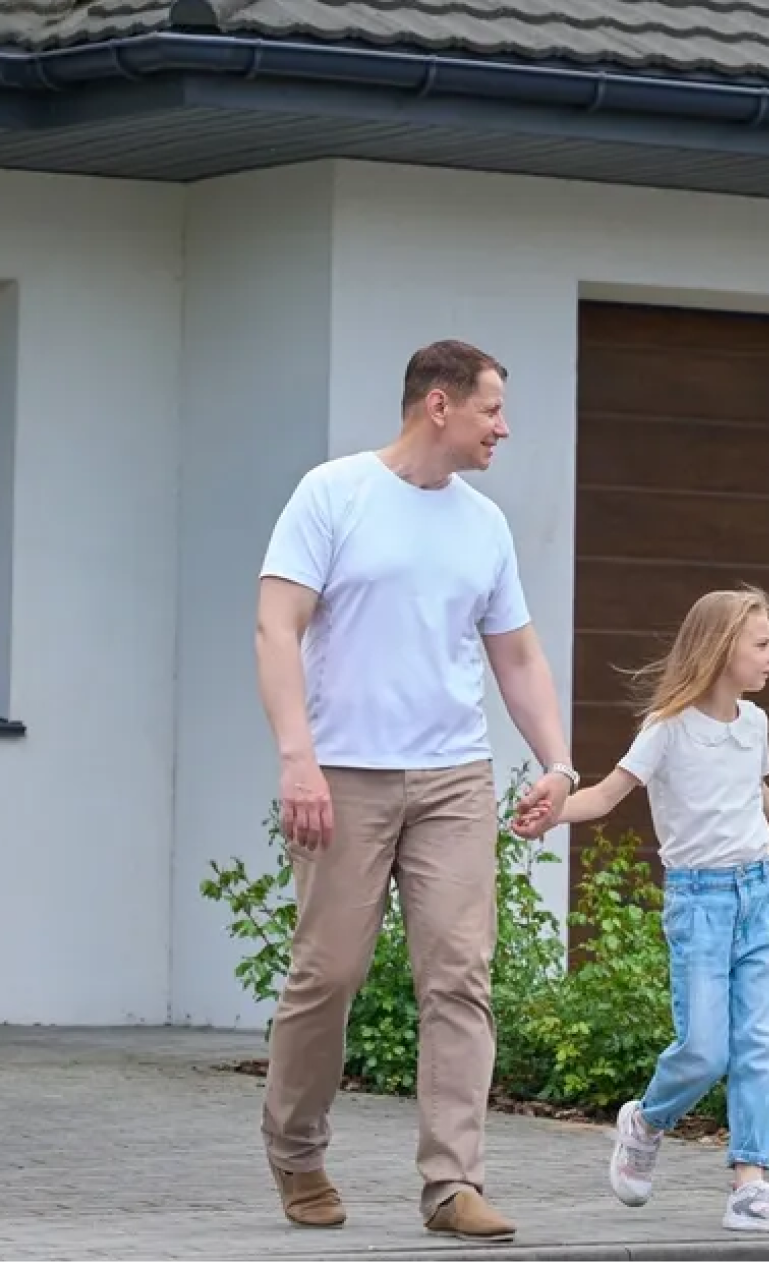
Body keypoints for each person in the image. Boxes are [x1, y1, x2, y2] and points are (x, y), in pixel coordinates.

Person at [250, 339, 577, 1244]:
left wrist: (556, 763)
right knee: (330, 973)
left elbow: (516, 653)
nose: (502, 428)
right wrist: (296, 758)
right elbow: (278, 629)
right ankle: (297, 1148)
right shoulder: (333, 493)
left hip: (452, 779)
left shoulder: (484, 524)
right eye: (491, 411)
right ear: (438, 405)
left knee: (459, 978)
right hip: (342, 773)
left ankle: (452, 1184)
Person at [550, 585, 769, 1235]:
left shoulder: (753, 724)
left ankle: (750, 1186)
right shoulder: (666, 727)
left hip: (759, 896)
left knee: (762, 1044)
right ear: (721, 648)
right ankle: (645, 1120)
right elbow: (607, 796)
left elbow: (747, 789)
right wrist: (548, 812)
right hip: (698, 904)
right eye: (760, 644)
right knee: (703, 1049)